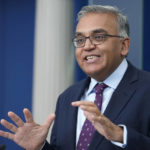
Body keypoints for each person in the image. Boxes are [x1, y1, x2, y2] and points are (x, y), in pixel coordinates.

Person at [0, 4, 150, 150]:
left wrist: (120, 136)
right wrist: (40, 147)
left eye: (98, 37)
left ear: (124, 46)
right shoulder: (67, 97)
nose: (87, 46)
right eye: (80, 40)